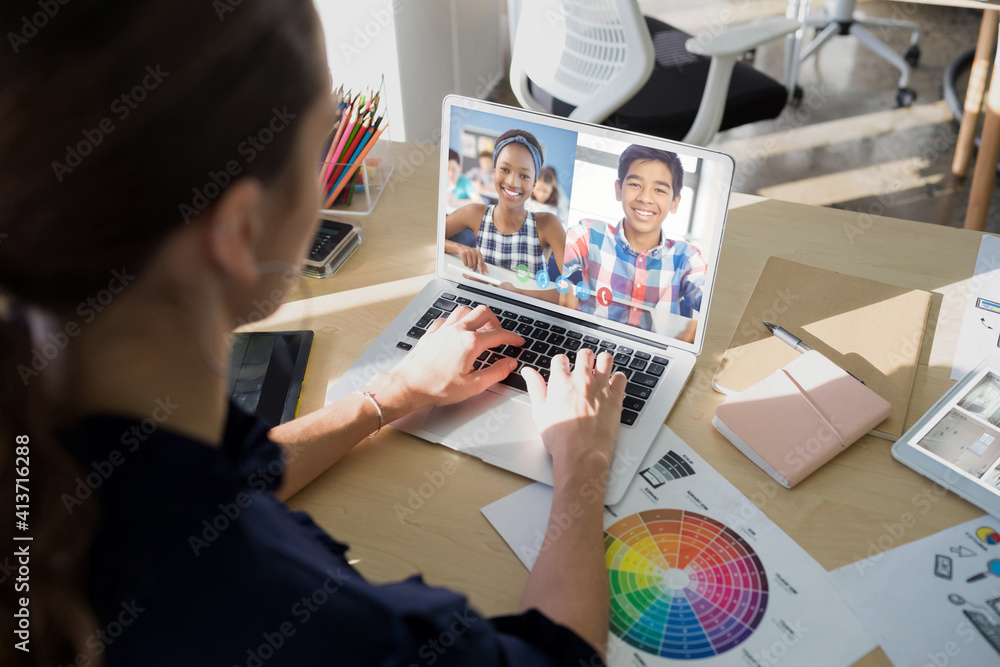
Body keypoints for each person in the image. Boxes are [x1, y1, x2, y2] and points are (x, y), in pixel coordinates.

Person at [0, 2, 626, 666]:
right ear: (238, 231)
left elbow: (202, 488)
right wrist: (580, 461)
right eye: (322, 139)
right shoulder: (323, 630)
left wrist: (389, 395)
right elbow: (559, 658)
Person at [562, 145, 706, 340]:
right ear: (618, 190)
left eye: (660, 190)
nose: (645, 198)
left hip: (655, 357)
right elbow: (551, 255)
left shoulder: (686, 257)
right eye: (635, 185)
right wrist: (561, 287)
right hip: (586, 346)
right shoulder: (590, 235)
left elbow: (710, 300)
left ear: (675, 202)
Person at [444, 130, 566, 302]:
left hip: (528, 315)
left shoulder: (547, 224)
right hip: (481, 305)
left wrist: (520, 293)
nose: (512, 182)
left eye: (524, 175)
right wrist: (459, 248)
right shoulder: (475, 214)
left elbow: (572, 293)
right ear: (494, 172)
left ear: (534, 183)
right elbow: (431, 239)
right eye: (505, 169)